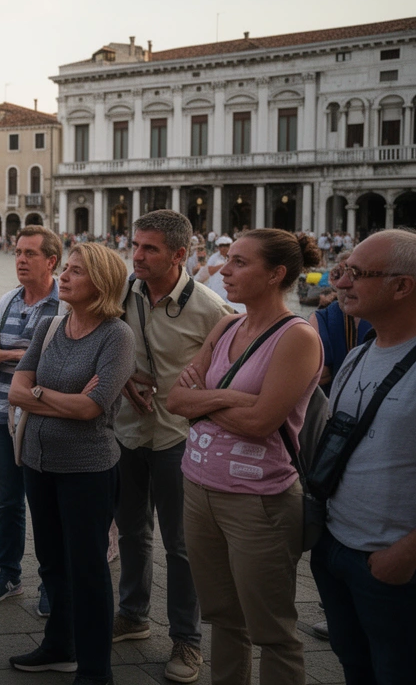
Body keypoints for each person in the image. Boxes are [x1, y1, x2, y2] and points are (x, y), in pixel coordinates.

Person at [167, 229, 325, 685]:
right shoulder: (227, 325)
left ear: (276, 274)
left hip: (259, 500)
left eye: (239, 263)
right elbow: (176, 400)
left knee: (272, 629)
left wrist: (208, 399)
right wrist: (233, 400)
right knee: (223, 618)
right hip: (198, 488)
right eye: (227, 259)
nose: (224, 270)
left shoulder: (298, 336)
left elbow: (261, 423)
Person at [3, 242, 134, 684]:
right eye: (68, 269)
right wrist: (51, 397)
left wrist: (41, 395)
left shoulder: (116, 335)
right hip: (39, 463)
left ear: (101, 283)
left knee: (89, 570)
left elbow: (91, 409)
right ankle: (60, 644)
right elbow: (18, 390)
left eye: (76, 271)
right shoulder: (51, 325)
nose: (65, 276)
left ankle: (96, 670)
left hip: (88, 469)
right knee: (52, 562)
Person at [111, 211, 232, 683]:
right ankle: (134, 615)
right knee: (131, 531)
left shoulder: (211, 311)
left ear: (181, 254)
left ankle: (187, 639)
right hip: (128, 431)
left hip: (180, 439)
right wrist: (123, 384)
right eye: (135, 245)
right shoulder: (121, 294)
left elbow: (228, 377)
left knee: (182, 545)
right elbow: (104, 345)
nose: (136, 255)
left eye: (149, 249)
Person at [309, 228, 416, 684]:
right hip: (335, 547)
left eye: (356, 273)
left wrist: (406, 554)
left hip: (392, 561)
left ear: (402, 285)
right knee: (354, 666)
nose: (341, 282)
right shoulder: (357, 356)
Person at [0, 226, 63, 613]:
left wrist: (10, 355)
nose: (21, 260)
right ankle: (8, 572)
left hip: (41, 417)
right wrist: (18, 353)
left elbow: (57, 358)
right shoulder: (7, 300)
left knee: (46, 505)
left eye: (30, 253)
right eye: (17, 252)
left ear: (52, 261)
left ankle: (53, 582)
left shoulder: (64, 305)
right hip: (0, 413)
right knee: (7, 501)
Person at [308, 251, 373, 396]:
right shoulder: (323, 318)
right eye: (339, 273)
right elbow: (316, 375)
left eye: (355, 275)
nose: (343, 283)